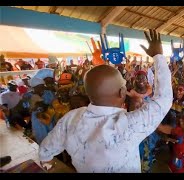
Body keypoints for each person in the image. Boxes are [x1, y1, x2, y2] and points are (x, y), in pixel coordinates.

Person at [38, 29, 173, 173]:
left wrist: (50, 168)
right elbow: (163, 100)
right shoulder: (130, 125)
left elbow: (45, 153)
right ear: (122, 92)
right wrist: (158, 55)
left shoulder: (71, 118)